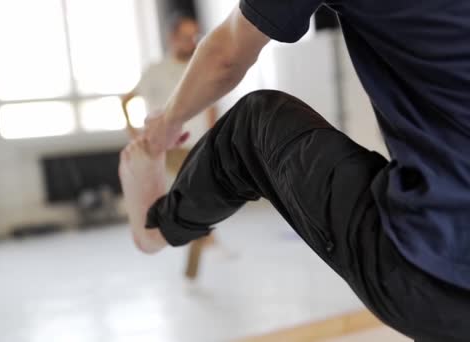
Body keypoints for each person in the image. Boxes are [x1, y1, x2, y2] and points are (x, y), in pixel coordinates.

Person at [119, 1, 470, 341]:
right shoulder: (158, 69)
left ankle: (155, 229)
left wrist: (166, 123)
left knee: (254, 125)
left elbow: (226, 56)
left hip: (437, 272)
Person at [120, 14, 220, 280]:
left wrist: (213, 135)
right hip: (169, 147)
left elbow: (211, 104)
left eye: (195, 35)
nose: (191, 41)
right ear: (172, 38)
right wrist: (132, 131)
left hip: (198, 144)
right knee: (193, 199)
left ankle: (196, 252)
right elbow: (127, 99)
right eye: (186, 36)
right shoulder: (156, 70)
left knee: (201, 199)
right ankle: (192, 240)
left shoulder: (199, 67)